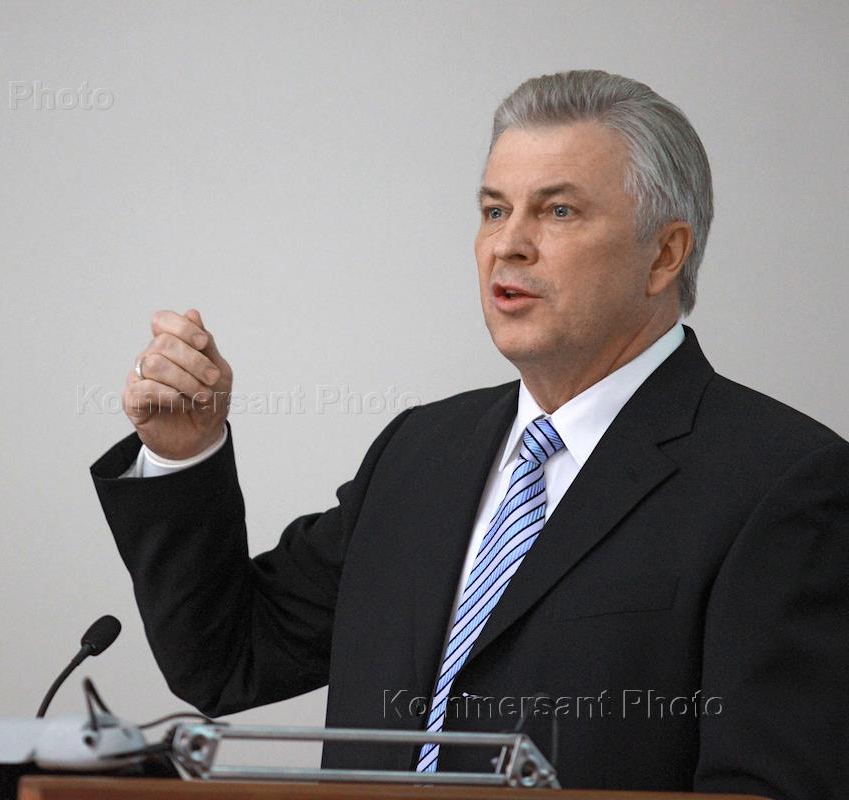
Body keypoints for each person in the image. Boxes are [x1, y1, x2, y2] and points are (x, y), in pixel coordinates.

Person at [90, 70, 849, 798]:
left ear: (664, 254)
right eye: (493, 211)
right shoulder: (420, 452)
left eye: (558, 211)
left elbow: (772, 787)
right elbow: (228, 658)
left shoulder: (786, 484)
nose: (507, 245)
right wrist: (182, 454)